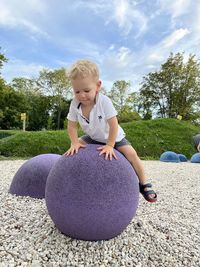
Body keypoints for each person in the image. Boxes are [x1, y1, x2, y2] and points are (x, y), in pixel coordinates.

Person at [64, 59, 157, 203]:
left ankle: (144, 184)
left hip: (113, 137)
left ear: (98, 85)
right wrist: (74, 142)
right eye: (77, 91)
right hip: (92, 136)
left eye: (87, 90)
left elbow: (114, 125)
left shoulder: (104, 102)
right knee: (71, 152)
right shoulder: (75, 104)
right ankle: (63, 178)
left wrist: (110, 145)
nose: (82, 95)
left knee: (132, 154)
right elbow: (71, 126)